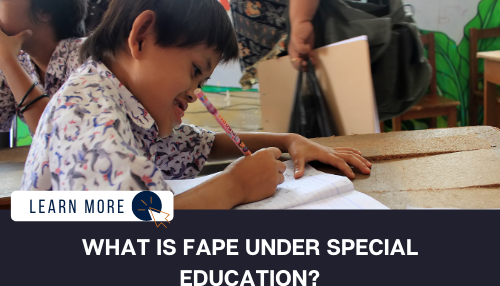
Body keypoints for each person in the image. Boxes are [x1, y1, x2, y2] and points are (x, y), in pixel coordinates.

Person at [21, 0, 372, 209]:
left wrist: (287, 141)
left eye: (201, 82)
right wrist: (235, 186)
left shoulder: (122, 101)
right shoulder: (90, 115)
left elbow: (197, 145)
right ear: (142, 36)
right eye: (194, 71)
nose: (194, 93)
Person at [0, 0, 88, 134]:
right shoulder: (21, 60)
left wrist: (8, 61)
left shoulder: (90, 60)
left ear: (44, 12)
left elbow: (62, 139)